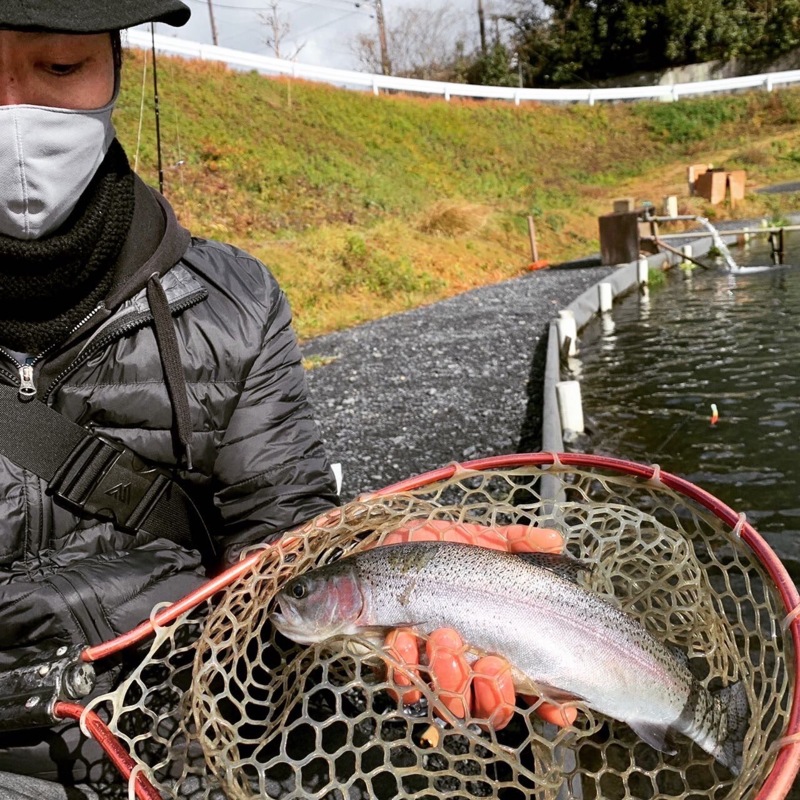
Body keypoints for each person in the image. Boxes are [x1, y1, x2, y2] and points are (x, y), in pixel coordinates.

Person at [0, 3, 571, 796]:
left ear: (116, 70)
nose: (15, 111)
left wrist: (376, 571)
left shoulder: (236, 303)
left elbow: (279, 548)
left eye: (59, 68)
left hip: (182, 743)